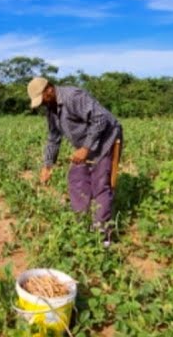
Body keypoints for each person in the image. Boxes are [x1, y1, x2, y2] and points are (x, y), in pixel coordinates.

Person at [30, 77, 123, 246]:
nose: (42, 103)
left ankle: (102, 235)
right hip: (85, 145)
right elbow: (53, 137)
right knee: (76, 180)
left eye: (42, 99)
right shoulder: (51, 108)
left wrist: (86, 148)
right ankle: (81, 226)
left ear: (49, 89)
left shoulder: (73, 96)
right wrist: (47, 165)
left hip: (107, 138)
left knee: (101, 184)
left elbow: (100, 118)